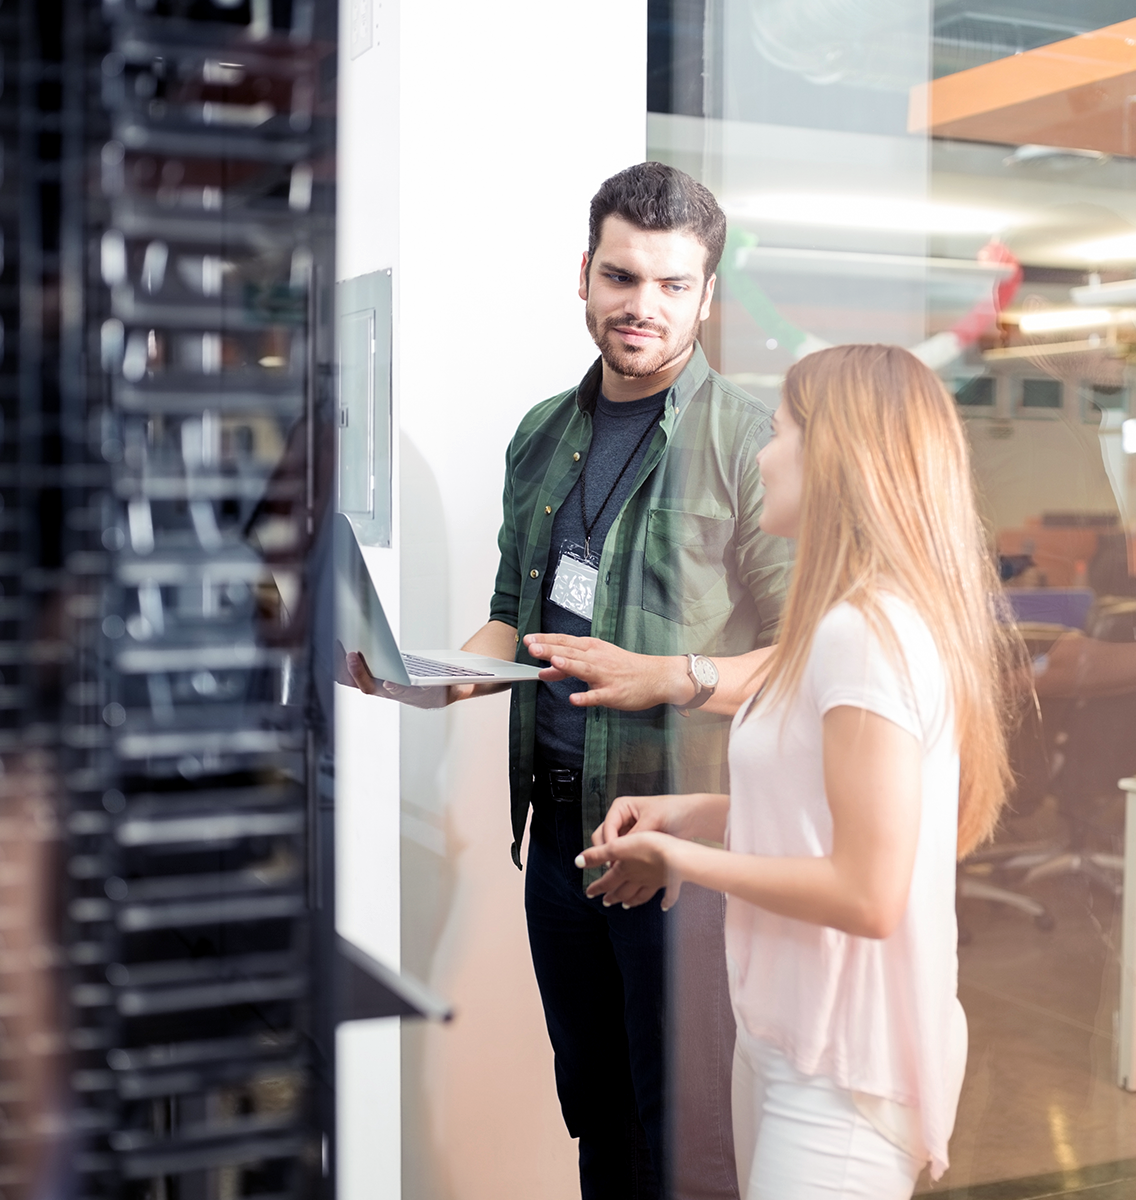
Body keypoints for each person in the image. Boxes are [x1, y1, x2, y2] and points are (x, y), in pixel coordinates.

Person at [349, 162, 793, 1199]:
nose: (643, 307)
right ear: (585, 274)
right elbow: (515, 613)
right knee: (595, 1111)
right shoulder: (541, 433)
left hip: (677, 847)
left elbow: (802, 655)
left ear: (707, 296)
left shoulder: (750, 444)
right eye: (623, 277)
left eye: (672, 286)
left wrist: (674, 677)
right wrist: (431, 679)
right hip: (558, 836)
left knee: (685, 1136)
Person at [578, 344, 1021, 1198]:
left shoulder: (867, 636)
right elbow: (820, 810)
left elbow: (867, 891)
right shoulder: (839, 625)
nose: (761, 454)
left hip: (842, 1068)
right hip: (786, 1036)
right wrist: (696, 813)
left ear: (834, 457)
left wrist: (679, 863)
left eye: (779, 433)